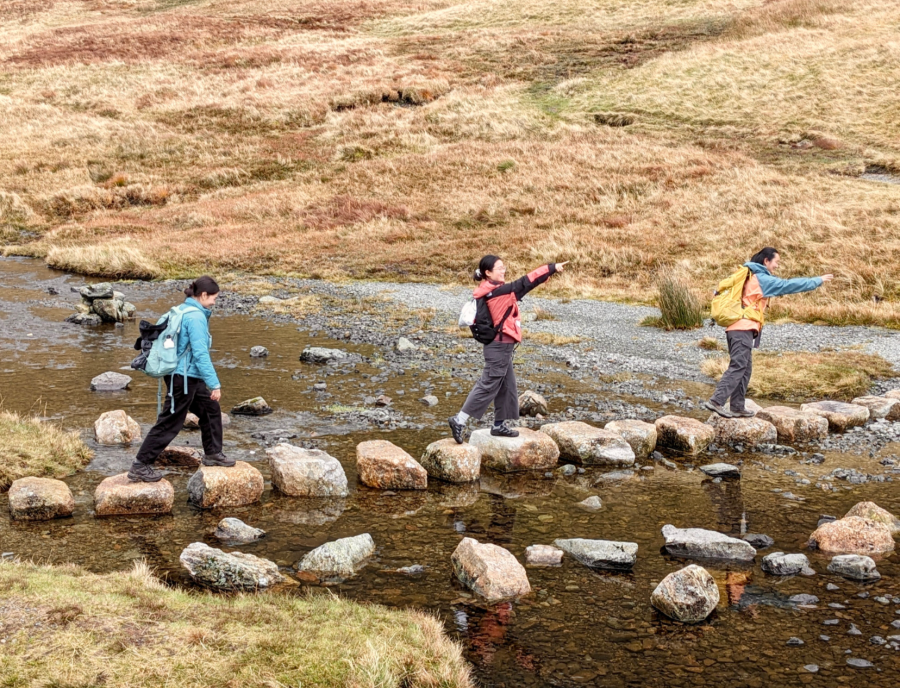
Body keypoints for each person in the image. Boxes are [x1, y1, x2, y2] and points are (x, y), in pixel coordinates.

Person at [703, 248, 833, 418]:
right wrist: (816, 281)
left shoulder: (749, 274)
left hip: (739, 328)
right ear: (766, 261)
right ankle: (716, 401)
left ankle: (737, 406)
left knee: (745, 368)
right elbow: (788, 286)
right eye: (776, 262)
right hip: (742, 328)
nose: (777, 266)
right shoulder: (761, 278)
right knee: (739, 366)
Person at [448, 256, 566, 443]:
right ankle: (459, 420)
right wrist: (551, 268)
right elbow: (525, 282)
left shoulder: (490, 290)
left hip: (500, 346)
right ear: (488, 273)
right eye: (499, 268)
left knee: (507, 385)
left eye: (504, 267)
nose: (503, 270)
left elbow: (525, 285)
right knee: (488, 384)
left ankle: (498, 425)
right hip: (499, 346)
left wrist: (548, 272)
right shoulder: (498, 292)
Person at [127, 276, 233, 482]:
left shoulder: (180, 310)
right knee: (170, 422)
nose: (214, 302)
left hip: (185, 375)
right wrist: (215, 384)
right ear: (203, 295)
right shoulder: (195, 317)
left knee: (210, 409)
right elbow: (201, 354)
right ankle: (140, 464)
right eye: (214, 298)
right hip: (184, 378)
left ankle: (213, 454)